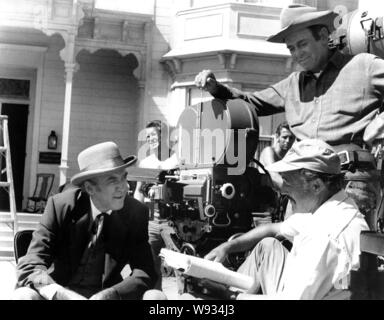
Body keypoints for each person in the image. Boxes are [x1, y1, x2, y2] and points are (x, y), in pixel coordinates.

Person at [195, 4, 382, 230]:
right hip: (302, 185)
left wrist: (380, 125)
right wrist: (216, 88)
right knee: (296, 251)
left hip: (348, 181)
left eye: (302, 44)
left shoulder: (363, 66)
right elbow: (251, 103)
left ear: (323, 36)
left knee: (345, 258)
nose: (296, 54)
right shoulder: (292, 84)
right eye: (291, 48)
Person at [145, 139, 369, 300]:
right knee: (268, 246)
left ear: (316, 185)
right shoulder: (336, 209)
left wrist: (230, 296)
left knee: (167, 301)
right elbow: (273, 229)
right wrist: (228, 246)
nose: (283, 191)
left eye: (288, 182)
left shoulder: (323, 234)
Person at [13, 141, 156, 300]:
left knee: (155, 297)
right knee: (23, 296)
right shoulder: (61, 206)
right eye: (112, 180)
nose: (124, 187)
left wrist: (112, 294)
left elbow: (145, 271)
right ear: (89, 188)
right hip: (61, 293)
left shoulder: (135, 213)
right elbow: (29, 266)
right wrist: (61, 294)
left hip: (106, 296)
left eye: (124, 178)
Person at [134, 121, 178, 290]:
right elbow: (139, 190)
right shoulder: (145, 163)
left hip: (173, 220)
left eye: (154, 134)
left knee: (181, 265)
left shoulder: (176, 159)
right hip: (151, 217)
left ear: (163, 135)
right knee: (151, 264)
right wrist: (137, 218)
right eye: (148, 136)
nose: (151, 139)